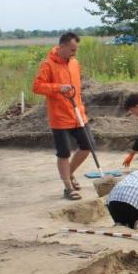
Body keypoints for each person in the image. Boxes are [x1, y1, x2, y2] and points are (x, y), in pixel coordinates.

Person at [32, 32, 95, 201]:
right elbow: (37, 87)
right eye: (72, 49)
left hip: (77, 113)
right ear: (62, 47)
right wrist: (59, 88)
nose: (75, 53)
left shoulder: (75, 63)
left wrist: (80, 106)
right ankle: (68, 187)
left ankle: (70, 173)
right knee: (64, 152)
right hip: (60, 116)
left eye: (76, 50)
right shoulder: (48, 64)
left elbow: (77, 88)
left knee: (88, 145)